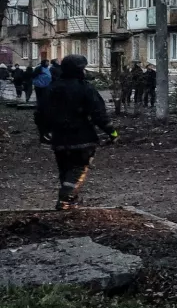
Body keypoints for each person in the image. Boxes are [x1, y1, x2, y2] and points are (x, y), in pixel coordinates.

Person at [34, 54, 119, 210]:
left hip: (59, 139)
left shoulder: (52, 88)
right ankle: (65, 200)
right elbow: (98, 113)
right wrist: (112, 132)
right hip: (82, 138)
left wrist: (43, 132)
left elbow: (40, 113)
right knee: (78, 169)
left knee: (65, 170)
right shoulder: (85, 88)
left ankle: (72, 202)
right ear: (80, 69)